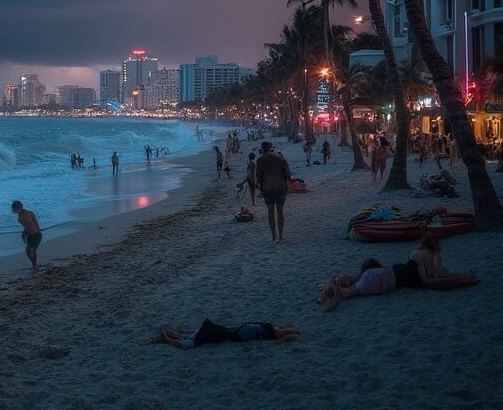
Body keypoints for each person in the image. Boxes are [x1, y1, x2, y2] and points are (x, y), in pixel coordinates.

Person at [320, 239, 478, 312]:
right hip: (387, 278)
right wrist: (462, 278)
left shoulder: (418, 255)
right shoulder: (424, 259)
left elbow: (442, 275)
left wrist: (465, 277)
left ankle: (332, 290)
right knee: (352, 291)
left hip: (386, 274)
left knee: (354, 290)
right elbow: (430, 279)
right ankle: (335, 291)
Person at [144, 318, 301, 348]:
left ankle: (156, 339)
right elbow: (177, 340)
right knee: (277, 331)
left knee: (277, 332)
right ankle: (157, 339)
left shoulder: (196, 339)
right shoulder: (197, 338)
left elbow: (177, 340)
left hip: (244, 329)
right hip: (243, 331)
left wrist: (165, 336)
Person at [255, 142, 290, 242]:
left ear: (262, 149)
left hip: (267, 188)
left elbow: (258, 177)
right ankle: (281, 235)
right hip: (280, 187)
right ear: (270, 148)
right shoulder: (278, 158)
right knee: (280, 212)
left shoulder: (260, 160)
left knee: (270, 213)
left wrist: (260, 188)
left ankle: (273, 236)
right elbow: (287, 173)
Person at [11, 200, 42, 269]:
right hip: (33, 234)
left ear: (16, 209)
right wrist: (25, 231)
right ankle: (34, 264)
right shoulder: (23, 213)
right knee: (28, 250)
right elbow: (33, 223)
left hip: (35, 234)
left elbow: (31, 224)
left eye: (13, 208)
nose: (12, 210)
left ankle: (34, 265)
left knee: (31, 249)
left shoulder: (25, 214)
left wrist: (29, 231)